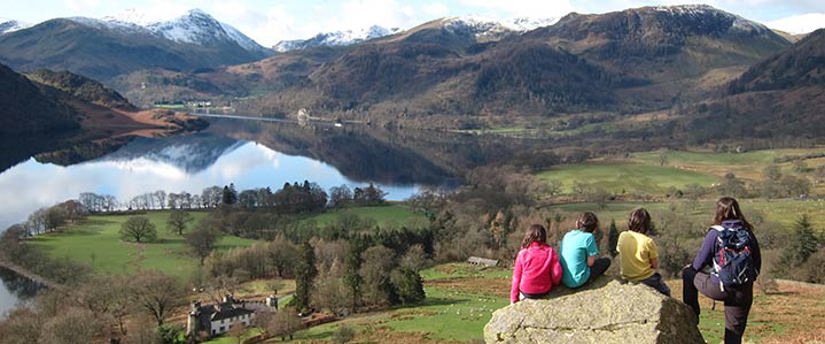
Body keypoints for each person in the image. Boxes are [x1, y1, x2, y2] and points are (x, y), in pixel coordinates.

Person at [682, 197, 761, 344]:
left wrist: (710, 274)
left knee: (687, 273)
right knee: (733, 336)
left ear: (718, 212)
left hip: (719, 288)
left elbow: (698, 264)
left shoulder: (715, 233)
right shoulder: (747, 233)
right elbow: (757, 264)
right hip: (742, 292)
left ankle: (692, 314)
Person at [616, 207, 671, 296]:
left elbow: (620, 251)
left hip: (627, 276)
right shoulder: (648, 241)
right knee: (665, 291)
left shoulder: (622, 235)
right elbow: (654, 265)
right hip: (645, 278)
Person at [510, 224, 562, 304]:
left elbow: (516, 279)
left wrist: (514, 300)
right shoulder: (550, 251)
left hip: (526, 291)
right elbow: (557, 274)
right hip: (544, 290)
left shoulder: (523, 253)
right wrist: (555, 283)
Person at [559, 212, 611, 288]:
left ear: (577, 223)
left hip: (563, 278)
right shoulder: (589, 237)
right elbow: (590, 263)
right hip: (579, 280)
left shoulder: (568, 235)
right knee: (606, 261)